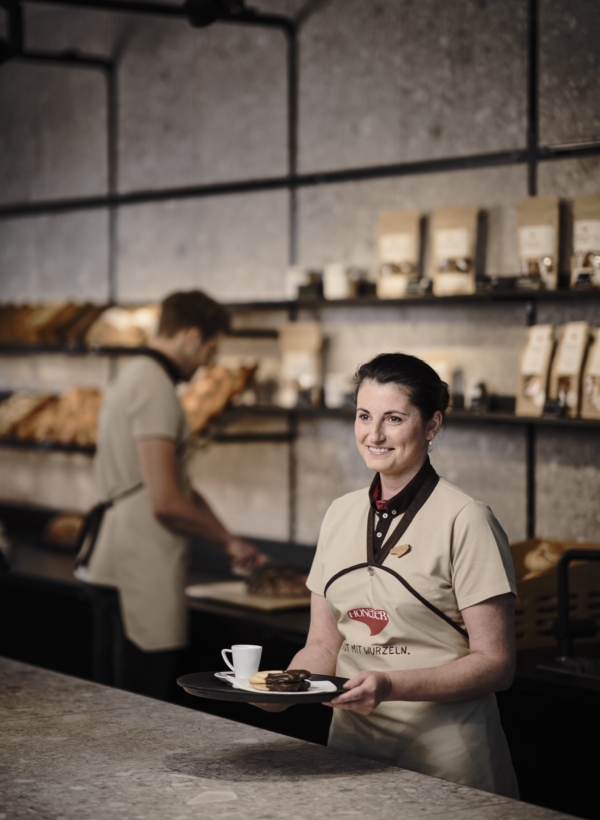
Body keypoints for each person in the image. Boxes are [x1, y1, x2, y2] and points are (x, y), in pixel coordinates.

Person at [258, 352, 518, 797]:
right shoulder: (339, 514)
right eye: (363, 416)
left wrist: (391, 685)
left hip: (447, 763)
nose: (373, 434)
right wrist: (282, 689)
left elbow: (496, 664)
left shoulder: (467, 519)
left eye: (393, 418)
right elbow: (323, 644)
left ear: (432, 425)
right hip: (349, 753)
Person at [78, 290, 265, 700]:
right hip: (137, 566)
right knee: (137, 707)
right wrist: (226, 540)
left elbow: (175, 487)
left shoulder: (135, 375)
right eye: (210, 349)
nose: (208, 362)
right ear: (192, 336)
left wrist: (229, 540)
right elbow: (165, 499)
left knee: (115, 703)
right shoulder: (154, 387)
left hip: (117, 558)